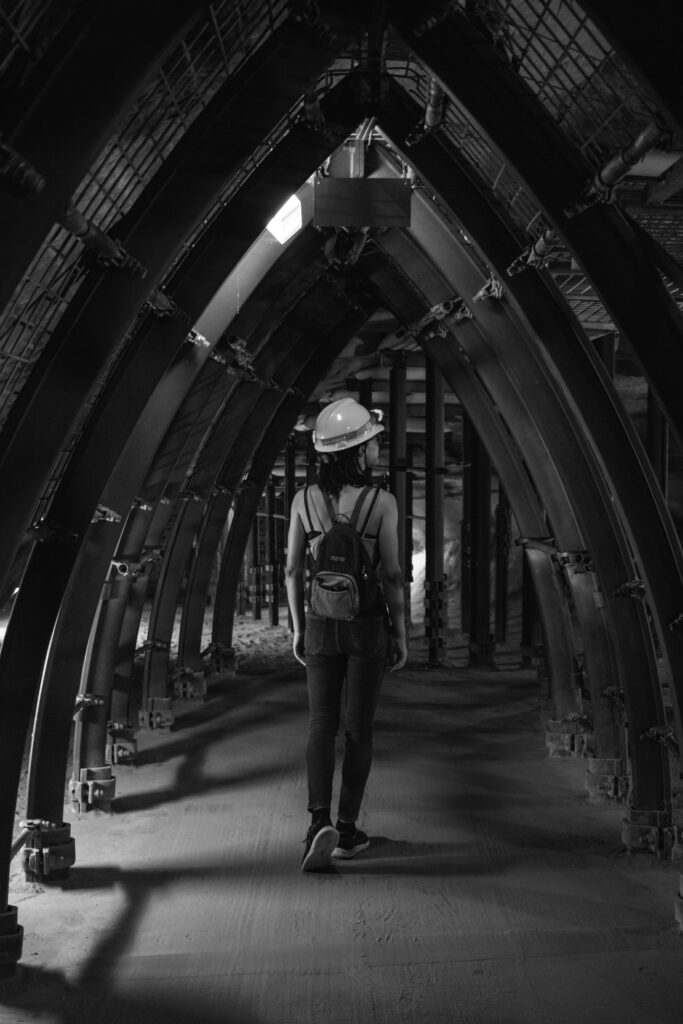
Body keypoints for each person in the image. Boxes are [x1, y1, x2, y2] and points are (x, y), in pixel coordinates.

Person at [285, 397, 408, 872]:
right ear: (357, 452)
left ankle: (317, 823)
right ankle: (348, 830)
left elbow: (294, 568)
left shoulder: (303, 500)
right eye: (373, 441)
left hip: (319, 625)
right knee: (358, 731)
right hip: (366, 625)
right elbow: (394, 575)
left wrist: (299, 627)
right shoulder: (383, 504)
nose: (377, 447)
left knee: (321, 725)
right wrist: (402, 635)